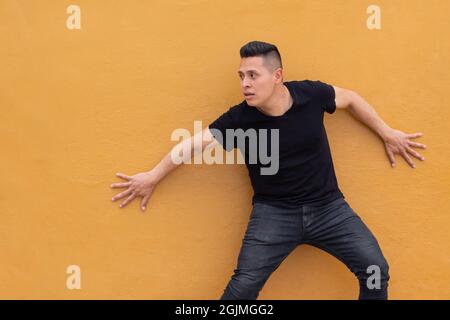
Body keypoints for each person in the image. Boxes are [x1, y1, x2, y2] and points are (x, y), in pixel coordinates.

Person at [110, 40, 426, 300]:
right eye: (240, 76)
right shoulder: (240, 119)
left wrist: (387, 132)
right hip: (274, 215)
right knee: (242, 290)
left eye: (252, 75)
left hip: (329, 209)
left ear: (277, 76)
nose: (245, 84)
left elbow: (351, 98)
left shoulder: (311, 95)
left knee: (374, 268)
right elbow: (192, 144)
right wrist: (152, 176)